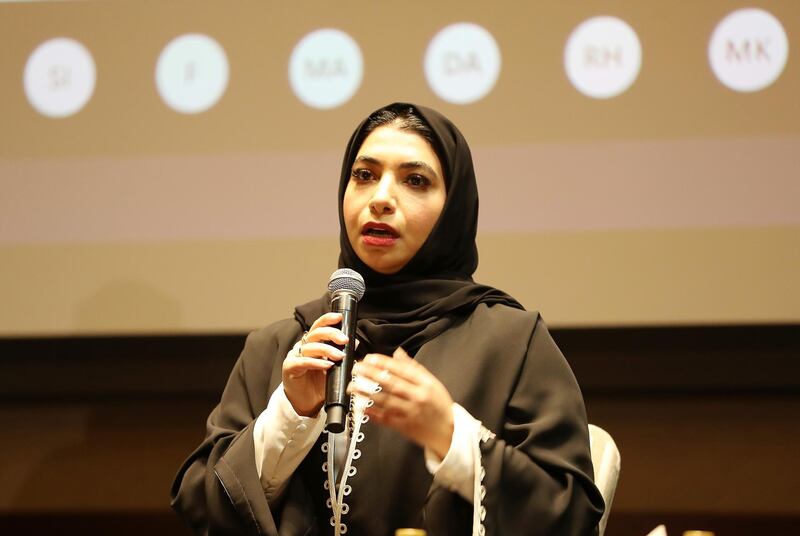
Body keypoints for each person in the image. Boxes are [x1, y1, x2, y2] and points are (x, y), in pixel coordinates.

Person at [171, 103, 604, 535]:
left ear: (454, 206)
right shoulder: (280, 348)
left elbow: (571, 514)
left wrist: (451, 435)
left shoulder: (512, 343)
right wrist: (289, 414)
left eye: (415, 181)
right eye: (364, 176)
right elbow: (201, 503)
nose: (380, 199)